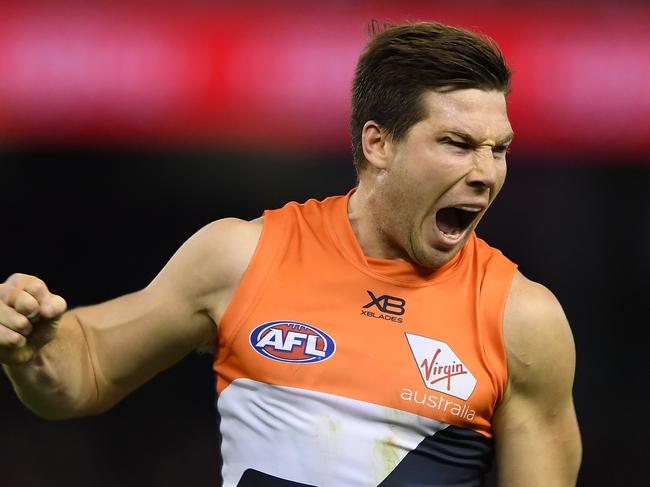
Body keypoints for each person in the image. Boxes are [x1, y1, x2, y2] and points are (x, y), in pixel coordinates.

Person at [0, 21, 581, 487]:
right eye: (456, 144)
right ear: (378, 143)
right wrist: (34, 349)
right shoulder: (241, 257)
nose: (485, 174)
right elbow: (87, 370)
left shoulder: (522, 321)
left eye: (497, 149)